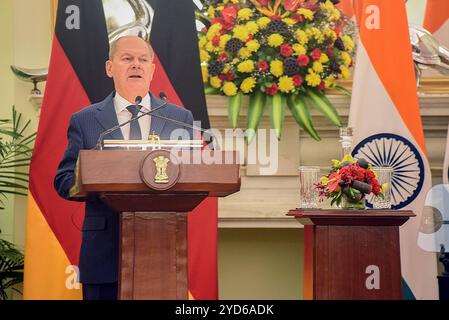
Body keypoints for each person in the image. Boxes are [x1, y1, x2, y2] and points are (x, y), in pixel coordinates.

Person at [54, 36, 194, 300]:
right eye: (127, 59)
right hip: (103, 252)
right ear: (110, 68)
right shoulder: (85, 120)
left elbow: (188, 174)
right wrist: (92, 176)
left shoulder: (179, 118)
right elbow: (63, 180)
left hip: (162, 249)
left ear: (152, 70)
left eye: (143, 60)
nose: (136, 65)